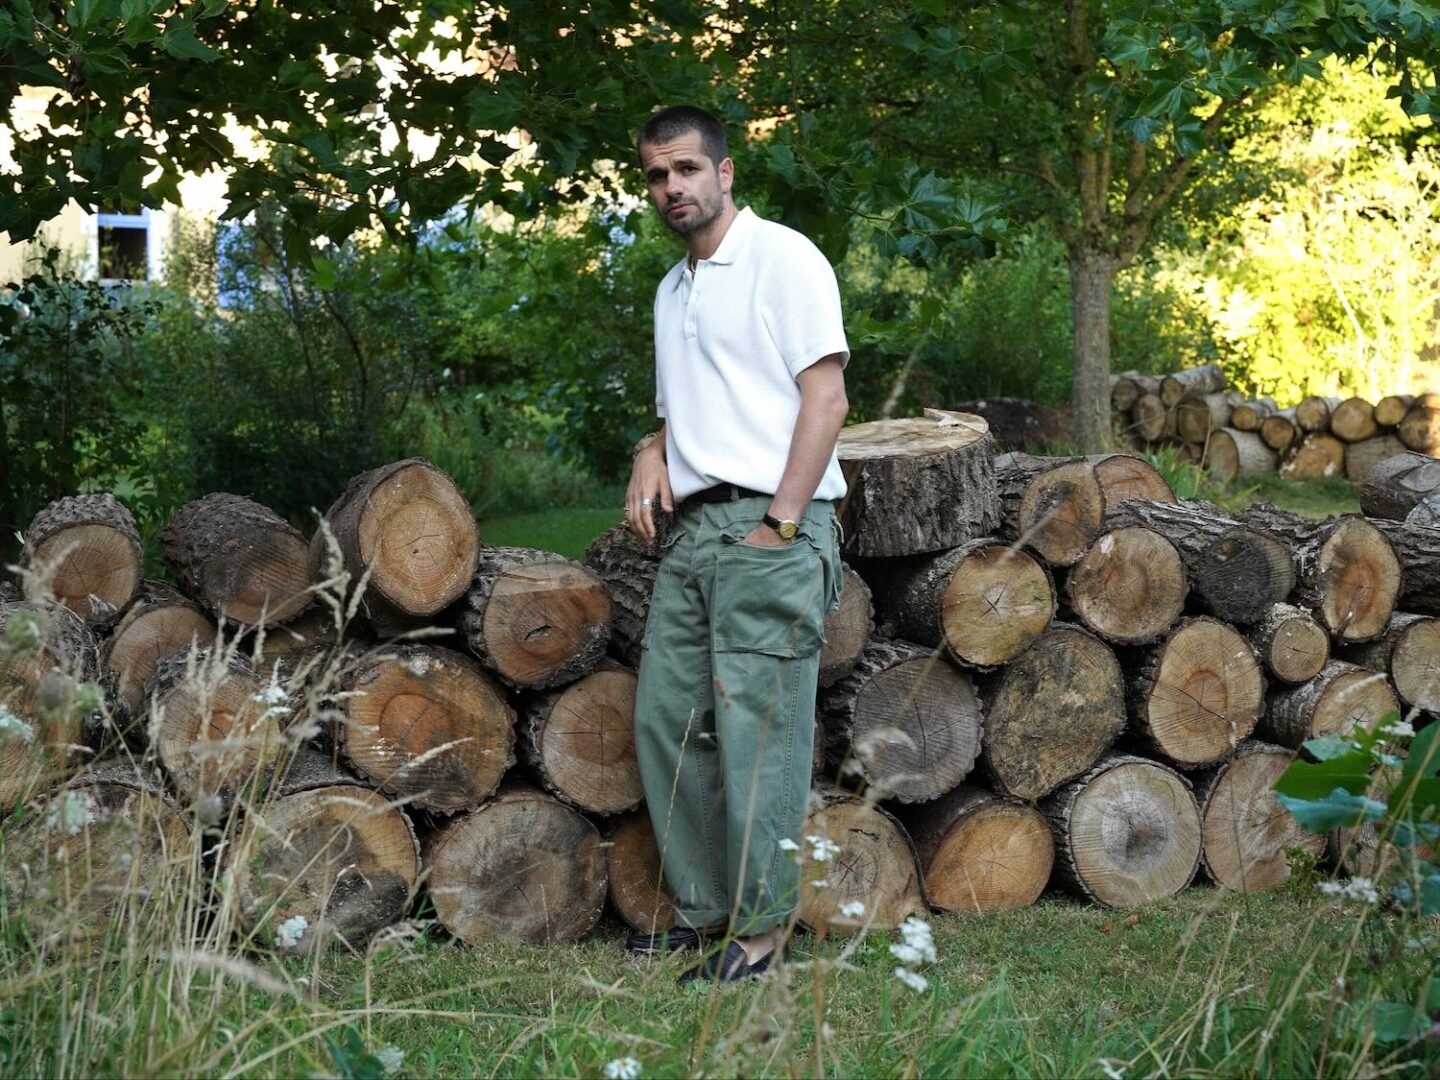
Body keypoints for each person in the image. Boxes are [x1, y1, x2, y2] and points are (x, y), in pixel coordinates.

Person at [625, 104, 850, 985]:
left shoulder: (782, 258)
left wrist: (782, 524)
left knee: (762, 733)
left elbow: (825, 399)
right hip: (694, 533)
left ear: (725, 173)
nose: (671, 187)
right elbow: (678, 411)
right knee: (667, 720)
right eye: (655, 174)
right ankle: (702, 913)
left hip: (771, 522)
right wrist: (652, 448)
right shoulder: (673, 287)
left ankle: (758, 938)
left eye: (685, 169)